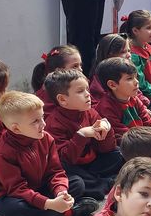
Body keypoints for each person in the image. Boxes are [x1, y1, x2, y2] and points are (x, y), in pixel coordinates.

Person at [0, 91, 98, 216]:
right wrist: (49, 203)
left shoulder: (46, 138)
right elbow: (18, 189)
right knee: (17, 208)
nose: (43, 123)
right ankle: (69, 212)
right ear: (16, 128)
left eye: (42, 117)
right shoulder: (1, 154)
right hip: (8, 195)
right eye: (35, 121)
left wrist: (61, 191)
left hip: (37, 187)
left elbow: (56, 172)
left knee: (77, 183)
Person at [44, 68, 123, 199]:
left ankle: (100, 184)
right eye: (80, 91)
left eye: (87, 89)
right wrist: (81, 135)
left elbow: (107, 149)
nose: (88, 95)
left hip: (92, 165)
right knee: (75, 181)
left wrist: (106, 129)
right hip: (74, 169)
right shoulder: (53, 124)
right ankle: (103, 184)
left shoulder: (90, 112)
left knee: (118, 154)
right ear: (62, 99)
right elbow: (65, 160)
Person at [94, 57, 151, 138]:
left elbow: (149, 123)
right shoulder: (106, 108)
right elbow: (124, 137)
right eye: (130, 78)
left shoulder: (134, 99)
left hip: (144, 138)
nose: (137, 82)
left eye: (136, 77)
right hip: (131, 142)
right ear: (112, 85)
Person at [121, 10, 151, 103]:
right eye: (148, 28)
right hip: (144, 99)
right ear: (135, 31)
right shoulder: (133, 55)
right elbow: (142, 84)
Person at [32, 45, 83, 116]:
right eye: (75, 66)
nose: (80, 70)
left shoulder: (79, 86)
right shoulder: (43, 100)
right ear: (58, 71)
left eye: (80, 65)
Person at [88, 33, 131, 102]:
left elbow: (137, 94)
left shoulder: (128, 70)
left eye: (129, 51)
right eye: (123, 52)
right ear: (109, 55)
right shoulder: (98, 81)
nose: (129, 55)